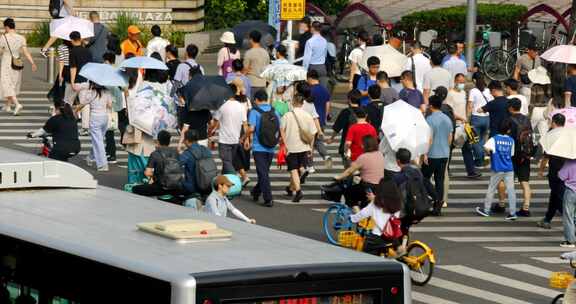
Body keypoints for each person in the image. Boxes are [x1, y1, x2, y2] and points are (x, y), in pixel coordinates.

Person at [475, 120, 518, 221]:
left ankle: (486, 210)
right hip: (509, 168)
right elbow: (511, 154)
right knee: (511, 190)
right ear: (508, 130)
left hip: (497, 168)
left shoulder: (494, 139)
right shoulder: (511, 140)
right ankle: (512, 213)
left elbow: (485, 147)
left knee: (492, 188)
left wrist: (491, 153)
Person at [350, 179, 404, 256]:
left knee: (366, 255)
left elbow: (362, 214)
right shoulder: (398, 203)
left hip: (376, 237)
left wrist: (352, 218)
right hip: (392, 236)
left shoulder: (375, 203)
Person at [281, 93, 318, 203]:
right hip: (304, 146)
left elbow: (282, 130)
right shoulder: (308, 116)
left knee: (293, 170)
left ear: (293, 102)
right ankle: (290, 188)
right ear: (303, 103)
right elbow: (312, 134)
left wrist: (284, 144)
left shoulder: (287, 115)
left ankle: (298, 191)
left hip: (291, 147)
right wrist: (310, 148)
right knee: (298, 168)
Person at [247, 90, 280, 207]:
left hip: (258, 147)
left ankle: (268, 198)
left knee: (263, 173)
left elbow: (251, 129)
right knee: (264, 172)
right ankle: (256, 191)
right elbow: (279, 128)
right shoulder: (274, 111)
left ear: (256, 99)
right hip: (271, 147)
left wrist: (244, 138)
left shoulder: (254, 111)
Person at [421, 95, 453, 216]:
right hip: (444, 153)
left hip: (433, 153)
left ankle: (436, 198)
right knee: (440, 179)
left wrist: (425, 153)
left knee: (424, 178)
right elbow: (450, 137)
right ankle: (438, 205)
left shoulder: (429, 120)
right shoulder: (447, 118)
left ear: (431, 105)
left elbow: (429, 138)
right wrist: (446, 148)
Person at [335, 135, 384, 208]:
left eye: (362, 144)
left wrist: (338, 177)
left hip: (367, 187)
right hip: (380, 186)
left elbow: (349, 171)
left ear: (365, 145)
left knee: (348, 192)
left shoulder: (363, 157)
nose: (361, 145)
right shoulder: (380, 154)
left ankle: (356, 216)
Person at [0, 18, 36, 116]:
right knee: (12, 83)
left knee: (6, 84)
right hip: (17, 62)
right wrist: (32, 63)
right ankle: (7, 105)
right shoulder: (21, 38)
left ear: (7, 27)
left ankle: (17, 104)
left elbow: (1, 50)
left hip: (7, 61)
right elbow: (25, 52)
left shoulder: (4, 37)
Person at [131, 130, 183, 197]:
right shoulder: (176, 152)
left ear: (158, 141)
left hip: (161, 187)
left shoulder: (155, 154)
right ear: (169, 141)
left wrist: (156, 174)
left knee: (135, 189)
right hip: (176, 187)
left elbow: (147, 173)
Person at [447, 74, 480, 178]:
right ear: (455, 81)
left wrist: (466, 120)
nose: (461, 84)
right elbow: (449, 110)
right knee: (449, 148)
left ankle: (471, 171)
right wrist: (460, 118)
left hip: (464, 125)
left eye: (463, 82)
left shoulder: (463, 93)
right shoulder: (450, 94)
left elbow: (465, 107)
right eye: (459, 82)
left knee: (467, 148)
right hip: (454, 124)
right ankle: (446, 170)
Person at [537, 113, 566, 229]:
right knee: (555, 194)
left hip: (555, 170)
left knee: (558, 196)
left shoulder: (551, 135)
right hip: (569, 170)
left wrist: (541, 170)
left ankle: (571, 218)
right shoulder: (569, 134)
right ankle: (547, 219)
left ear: (554, 122)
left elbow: (546, 156)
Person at [213, 83, 248, 175]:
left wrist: (210, 132)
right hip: (235, 140)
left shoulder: (222, 106)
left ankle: (235, 183)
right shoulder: (241, 106)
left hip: (224, 140)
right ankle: (224, 184)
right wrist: (244, 138)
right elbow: (245, 125)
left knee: (227, 163)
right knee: (227, 163)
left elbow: (215, 122)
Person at [76, 82, 112, 172]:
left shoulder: (91, 93)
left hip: (95, 118)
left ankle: (103, 165)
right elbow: (110, 105)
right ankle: (90, 157)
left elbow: (82, 103)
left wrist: (75, 110)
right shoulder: (107, 91)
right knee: (98, 140)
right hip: (104, 117)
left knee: (98, 141)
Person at [507, 98, 533, 216]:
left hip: (512, 154)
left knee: (506, 181)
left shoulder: (509, 120)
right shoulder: (527, 119)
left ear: (511, 108)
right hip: (525, 155)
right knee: (525, 182)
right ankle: (526, 207)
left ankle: (503, 204)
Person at [329, 89, 362, 168]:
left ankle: (349, 179)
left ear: (349, 100)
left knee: (348, 167)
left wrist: (331, 138)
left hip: (348, 143)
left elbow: (337, 127)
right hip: (362, 144)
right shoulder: (365, 110)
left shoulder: (346, 112)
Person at [102, 52, 124, 163]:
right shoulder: (117, 71)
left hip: (111, 105)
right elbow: (123, 87)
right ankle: (109, 150)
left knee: (109, 130)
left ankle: (112, 153)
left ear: (107, 61)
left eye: (104, 61)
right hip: (118, 104)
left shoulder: (107, 73)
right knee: (111, 129)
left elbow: (109, 88)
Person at [468, 72, 493, 167]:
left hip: (476, 118)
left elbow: (470, 106)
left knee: (474, 140)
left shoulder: (473, 91)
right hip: (487, 118)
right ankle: (481, 160)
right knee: (482, 139)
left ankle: (479, 158)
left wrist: (467, 117)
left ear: (474, 80)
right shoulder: (488, 90)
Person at [179, 129, 213, 196]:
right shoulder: (206, 149)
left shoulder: (187, 153)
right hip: (208, 186)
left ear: (187, 140)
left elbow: (176, 165)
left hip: (192, 188)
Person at [244, 31, 270, 99]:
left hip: (252, 83)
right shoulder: (265, 52)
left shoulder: (249, 53)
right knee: (261, 106)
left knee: (252, 105)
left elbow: (245, 70)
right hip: (263, 83)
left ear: (251, 39)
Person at [303, 21, 328, 89]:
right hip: (322, 67)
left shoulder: (310, 41)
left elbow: (307, 58)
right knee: (323, 89)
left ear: (313, 28)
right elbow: (325, 55)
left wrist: (304, 71)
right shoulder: (324, 41)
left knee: (312, 90)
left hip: (313, 68)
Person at [528, 66, 552, 138]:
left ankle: (531, 147)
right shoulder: (548, 87)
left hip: (535, 110)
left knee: (529, 131)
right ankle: (543, 149)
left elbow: (532, 103)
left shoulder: (534, 87)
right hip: (545, 110)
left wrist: (529, 114)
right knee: (544, 135)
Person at [560, 159, 576, 248]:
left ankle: (570, 240)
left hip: (571, 191)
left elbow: (561, 176)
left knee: (568, 216)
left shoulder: (569, 162)